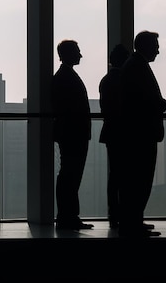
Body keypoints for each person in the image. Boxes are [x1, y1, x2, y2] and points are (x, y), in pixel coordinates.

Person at [118, 31, 166, 238]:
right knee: (139, 180)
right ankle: (133, 223)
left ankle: (134, 221)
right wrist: (161, 104)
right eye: (155, 45)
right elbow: (144, 100)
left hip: (137, 134)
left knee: (136, 181)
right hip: (140, 135)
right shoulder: (137, 67)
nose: (158, 49)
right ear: (145, 46)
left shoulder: (134, 65)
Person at [51, 39, 94, 230]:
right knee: (71, 175)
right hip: (74, 134)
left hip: (70, 133)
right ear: (68, 54)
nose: (81, 55)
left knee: (69, 175)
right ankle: (68, 217)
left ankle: (67, 216)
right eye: (77, 51)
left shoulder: (63, 76)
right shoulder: (66, 77)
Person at [98, 43, 130, 229]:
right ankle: (122, 214)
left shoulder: (107, 80)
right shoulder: (123, 79)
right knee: (123, 175)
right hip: (123, 133)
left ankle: (114, 214)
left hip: (112, 132)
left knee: (116, 174)